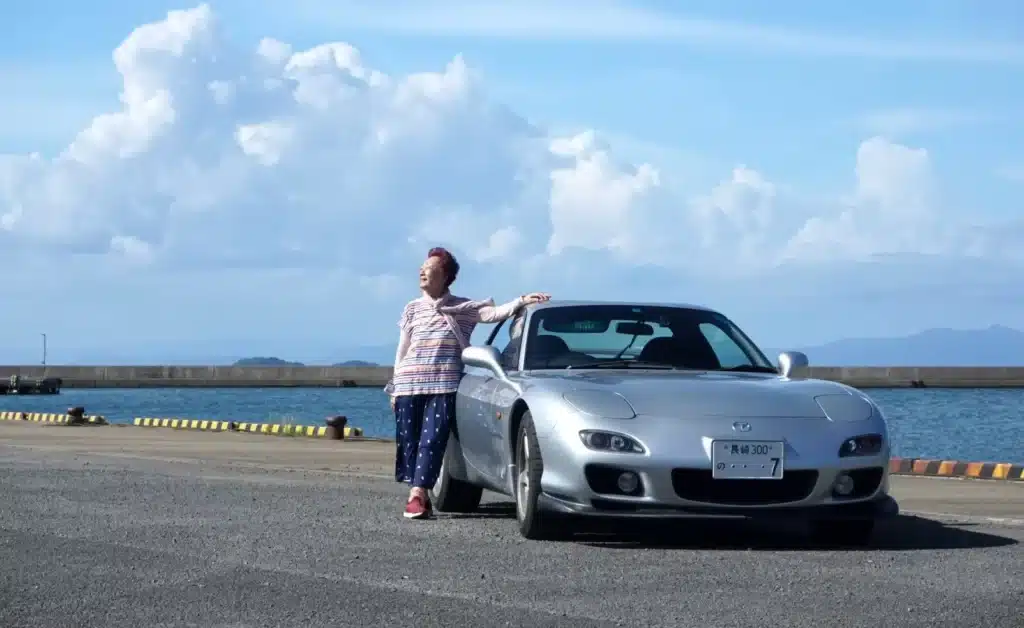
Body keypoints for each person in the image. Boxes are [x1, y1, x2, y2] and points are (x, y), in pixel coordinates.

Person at [385, 247, 550, 519]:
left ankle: (418, 493)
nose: (422, 270)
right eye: (422, 267)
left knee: (432, 440)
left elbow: (494, 314)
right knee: (409, 440)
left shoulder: (463, 308)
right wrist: (394, 387)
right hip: (408, 384)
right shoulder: (411, 308)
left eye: (429, 267)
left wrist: (522, 300)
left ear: (445, 275)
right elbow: (402, 351)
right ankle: (417, 491)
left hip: (444, 385)